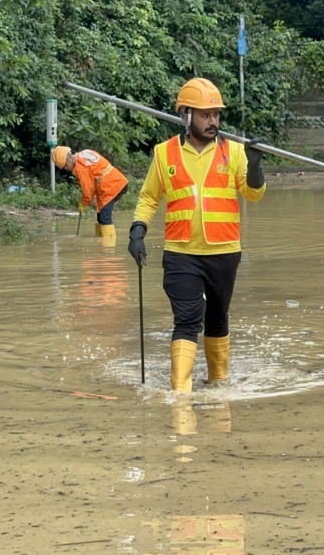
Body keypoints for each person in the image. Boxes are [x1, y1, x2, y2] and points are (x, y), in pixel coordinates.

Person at [126, 77, 266, 392]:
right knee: (188, 319)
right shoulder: (164, 154)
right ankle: (180, 393)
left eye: (216, 114)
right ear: (186, 115)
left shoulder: (235, 152)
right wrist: (138, 230)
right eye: (205, 115)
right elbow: (149, 197)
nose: (212, 121)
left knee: (217, 318)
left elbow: (253, 195)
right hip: (181, 252)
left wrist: (255, 167)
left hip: (224, 251)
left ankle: (218, 383)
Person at [52, 146, 129, 245]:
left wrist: (83, 204)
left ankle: (108, 251)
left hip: (111, 186)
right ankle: (100, 243)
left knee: (105, 217)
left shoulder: (81, 167)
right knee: (100, 216)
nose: (67, 169)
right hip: (113, 182)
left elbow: (88, 193)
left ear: (69, 158)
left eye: (66, 166)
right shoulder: (85, 153)